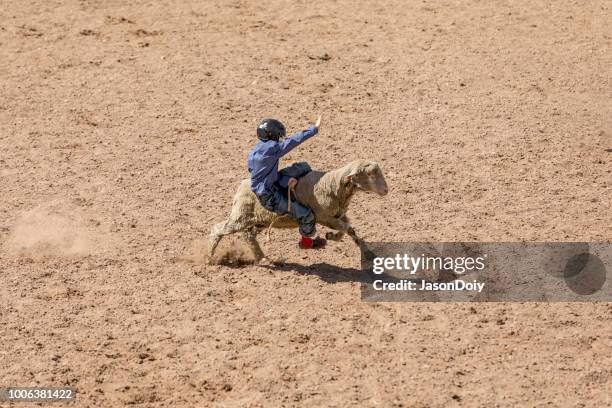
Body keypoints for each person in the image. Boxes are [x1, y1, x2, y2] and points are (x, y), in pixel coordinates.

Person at [247, 116, 322, 249]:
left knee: (303, 167)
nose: (280, 138)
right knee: (307, 215)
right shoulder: (272, 148)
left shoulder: (255, 150)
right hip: (270, 197)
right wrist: (313, 130)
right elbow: (293, 141)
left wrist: (285, 180)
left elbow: (257, 171)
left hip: (267, 186)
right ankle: (306, 242)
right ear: (273, 134)